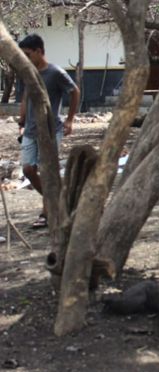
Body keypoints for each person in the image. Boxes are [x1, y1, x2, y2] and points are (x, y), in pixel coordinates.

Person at [17, 34, 80, 228]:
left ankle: (46, 213)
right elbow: (26, 98)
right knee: (28, 169)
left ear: (38, 51)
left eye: (28, 54)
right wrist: (21, 122)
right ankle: (59, 202)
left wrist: (70, 120)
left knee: (47, 171)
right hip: (30, 130)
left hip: (52, 129)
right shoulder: (29, 72)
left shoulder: (55, 72)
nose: (26, 58)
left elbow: (74, 91)